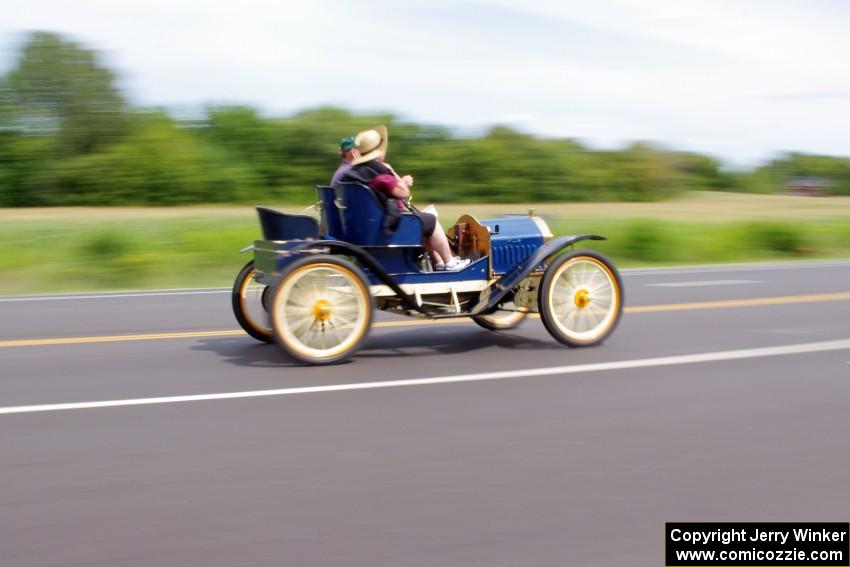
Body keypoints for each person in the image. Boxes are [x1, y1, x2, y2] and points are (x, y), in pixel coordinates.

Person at [341, 125, 470, 271]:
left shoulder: (350, 175)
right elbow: (403, 193)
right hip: (383, 229)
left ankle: (439, 264)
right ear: (378, 152)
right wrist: (392, 172)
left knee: (421, 221)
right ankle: (450, 262)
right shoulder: (380, 174)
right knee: (430, 220)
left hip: (362, 229)